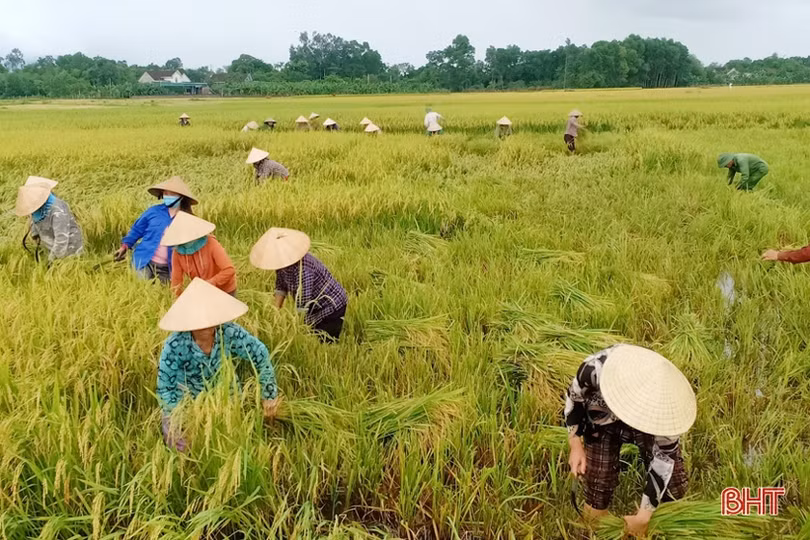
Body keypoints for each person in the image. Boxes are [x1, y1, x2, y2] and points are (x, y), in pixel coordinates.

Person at [564, 344, 696, 538]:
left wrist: (643, 517)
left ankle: (665, 526)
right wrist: (575, 443)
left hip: (652, 423)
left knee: (673, 488)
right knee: (597, 484)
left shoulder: (668, 413)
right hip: (602, 417)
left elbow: (663, 462)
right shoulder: (595, 370)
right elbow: (574, 400)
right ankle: (597, 528)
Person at [156, 278, 279, 452]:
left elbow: (259, 353)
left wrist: (269, 393)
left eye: (210, 315)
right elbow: (165, 388)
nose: (207, 323)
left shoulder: (228, 332)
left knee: (233, 445)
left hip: (226, 399)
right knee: (179, 441)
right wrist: (182, 418)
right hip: (189, 401)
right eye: (200, 318)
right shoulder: (175, 345)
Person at [249, 227, 348, 343]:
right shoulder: (282, 264)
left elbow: (303, 302)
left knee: (325, 340)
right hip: (313, 307)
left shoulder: (304, 268)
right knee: (312, 336)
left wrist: (296, 326)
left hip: (331, 305)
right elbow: (280, 286)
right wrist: (275, 311)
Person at [116, 176, 197, 284]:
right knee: (141, 285)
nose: (168, 197)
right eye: (166, 194)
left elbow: (196, 244)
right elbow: (137, 230)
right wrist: (125, 246)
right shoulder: (153, 212)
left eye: (172, 194)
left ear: (181, 197)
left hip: (169, 267)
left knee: (167, 292)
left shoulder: (187, 219)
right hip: (145, 261)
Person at [160, 211, 237, 297]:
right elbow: (176, 280)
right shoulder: (178, 252)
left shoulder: (211, 244)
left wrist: (212, 282)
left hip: (224, 290)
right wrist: (177, 298)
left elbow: (229, 270)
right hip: (202, 291)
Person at [15, 178, 84, 262]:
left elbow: (61, 239)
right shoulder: (36, 207)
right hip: (50, 244)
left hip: (69, 249)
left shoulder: (58, 211)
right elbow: (33, 219)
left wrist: (51, 261)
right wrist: (35, 233)